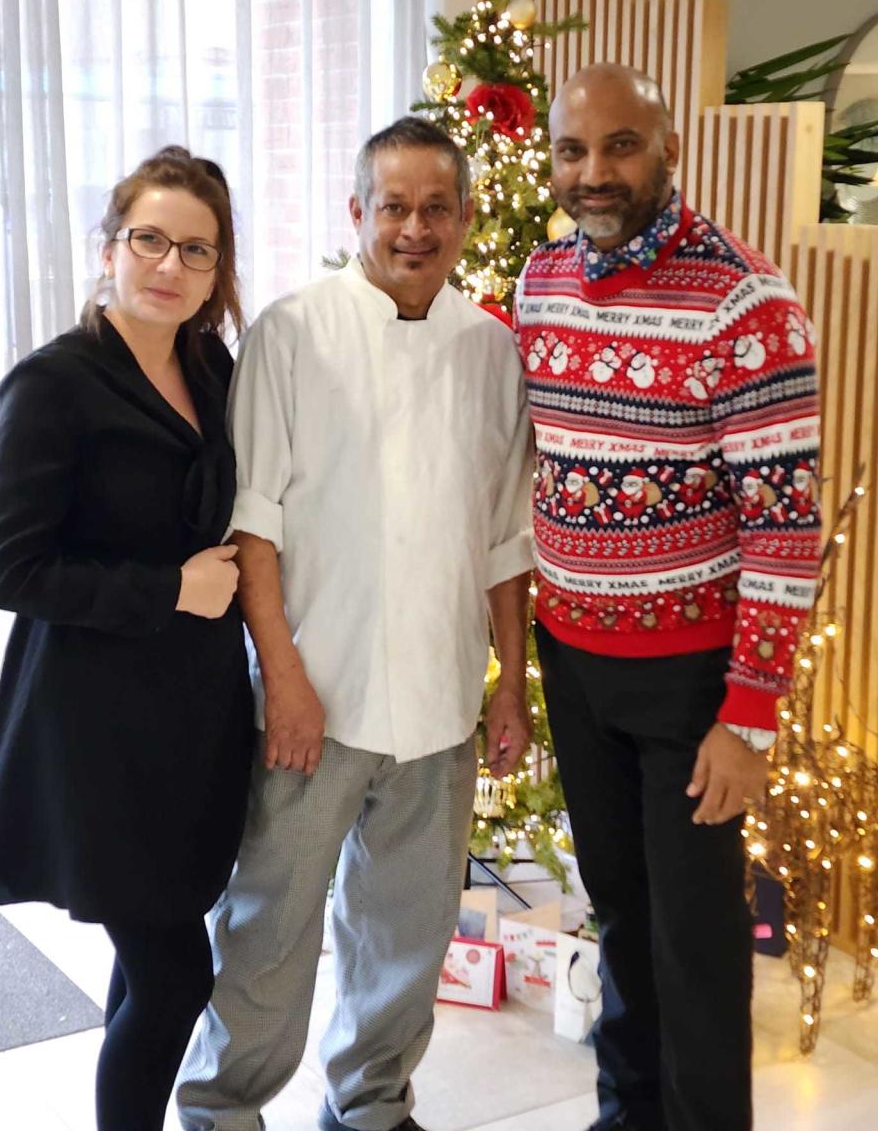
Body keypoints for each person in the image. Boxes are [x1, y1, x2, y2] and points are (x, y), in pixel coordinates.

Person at [177, 117, 535, 1131]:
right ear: (356, 213)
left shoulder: (491, 348)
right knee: (268, 927)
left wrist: (509, 683)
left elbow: (507, 535)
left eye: (435, 207)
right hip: (314, 694)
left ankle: (372, 1103)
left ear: (464, 218)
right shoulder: (293, 332)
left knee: (407, 932)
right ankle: (221, 1107)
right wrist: (282, 676)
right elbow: (257, 525)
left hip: (438, 693)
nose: (413, 227)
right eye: (393, 205)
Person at [515, 63, 821, 1131]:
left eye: (620, 145)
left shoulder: (747, 301)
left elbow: (786, 531)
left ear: (668, 147)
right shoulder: (540, 279)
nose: (593, 173)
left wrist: (749, 714)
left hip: (692, 677)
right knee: (622, 913)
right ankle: (627, 1112)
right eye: (571, 150)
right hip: (574, 655)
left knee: (693, 939)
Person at [0, 146, 256, 1131]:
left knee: (154, 965)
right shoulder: (52, 385)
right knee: (178, 970)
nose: (170, 265)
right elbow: (14, 571)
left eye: (197, 249)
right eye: (150, 239)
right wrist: (168, 586)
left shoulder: (209, 362)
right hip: (96, 728)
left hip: (195, 715)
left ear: (218, 269)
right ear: (109, 247)